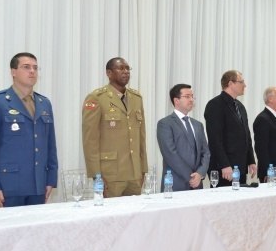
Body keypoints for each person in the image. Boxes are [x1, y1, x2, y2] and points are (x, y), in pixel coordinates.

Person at [0, 52, 58, 207]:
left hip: (38, 185)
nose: (32, 71)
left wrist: (50, 179)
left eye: (35, 68)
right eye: (26, 67)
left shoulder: (44, 103)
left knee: (37, 230)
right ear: (13, 72)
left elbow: (50, 146)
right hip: (9, 186)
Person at [82, 57, 148, 197]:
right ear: (109, 73)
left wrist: (143, 170)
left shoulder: (136, 98)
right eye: (121, 68)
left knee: (135, 216)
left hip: (134, 174)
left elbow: (141, 138)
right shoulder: (97, 98)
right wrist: (96, 175)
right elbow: (90, 141)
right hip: (110, 174)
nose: (125, 72)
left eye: (127, 68)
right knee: (111, 218)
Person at [204, 70, 256, 186]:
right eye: (241, 82)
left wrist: (251, 160)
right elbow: (215, 139)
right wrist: (224, 165)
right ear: (230, 83)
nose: (245, 85)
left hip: (240, 166)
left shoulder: (240, 106)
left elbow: (246, 135)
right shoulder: (215, 105)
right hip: (224, 169)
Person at [156, 84, 210, 191]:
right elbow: (170, 154)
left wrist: (200, 174)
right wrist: (191, 177)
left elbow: (206, 152)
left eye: (192, 96)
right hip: (175, 184)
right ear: (176, 100)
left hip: (197, 183)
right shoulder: (165, 124)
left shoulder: (198, 125)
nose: (191, 100)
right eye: (187, 96)